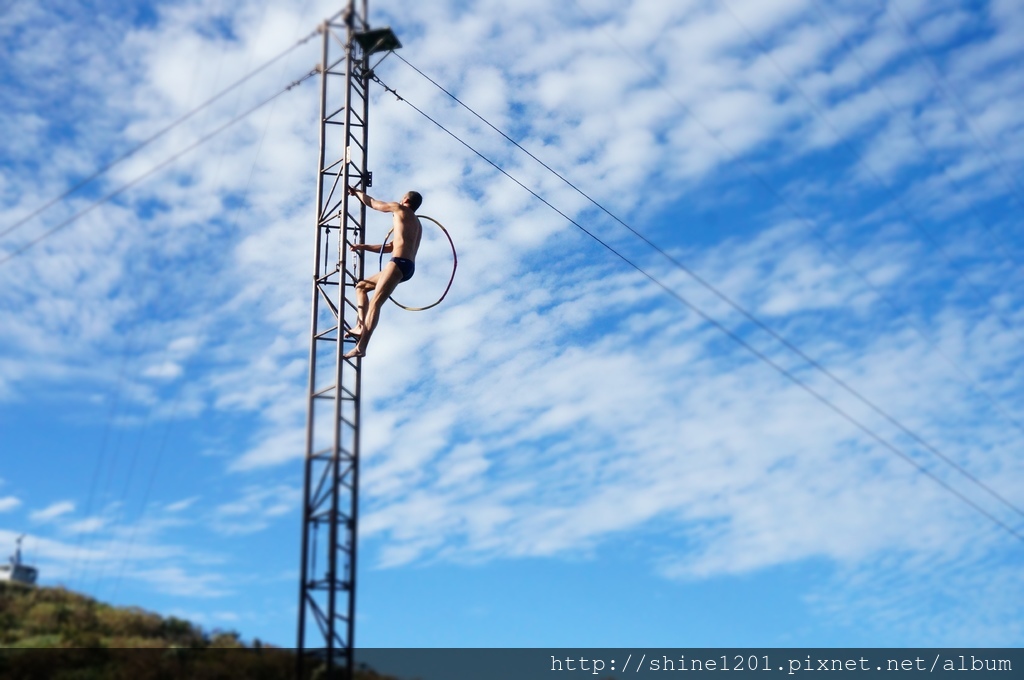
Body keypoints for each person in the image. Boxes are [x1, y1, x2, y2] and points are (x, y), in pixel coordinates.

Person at [343, 187, 423, 359]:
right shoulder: (416, 224)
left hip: (398, 263)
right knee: (361, 286)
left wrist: (357, 192)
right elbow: (389, 247)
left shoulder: (399, 209)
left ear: (405, 200)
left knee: (375, 303)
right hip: (406, 266)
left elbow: (374, 204)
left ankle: (362, 346)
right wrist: (363, 247)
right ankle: (359, 325)